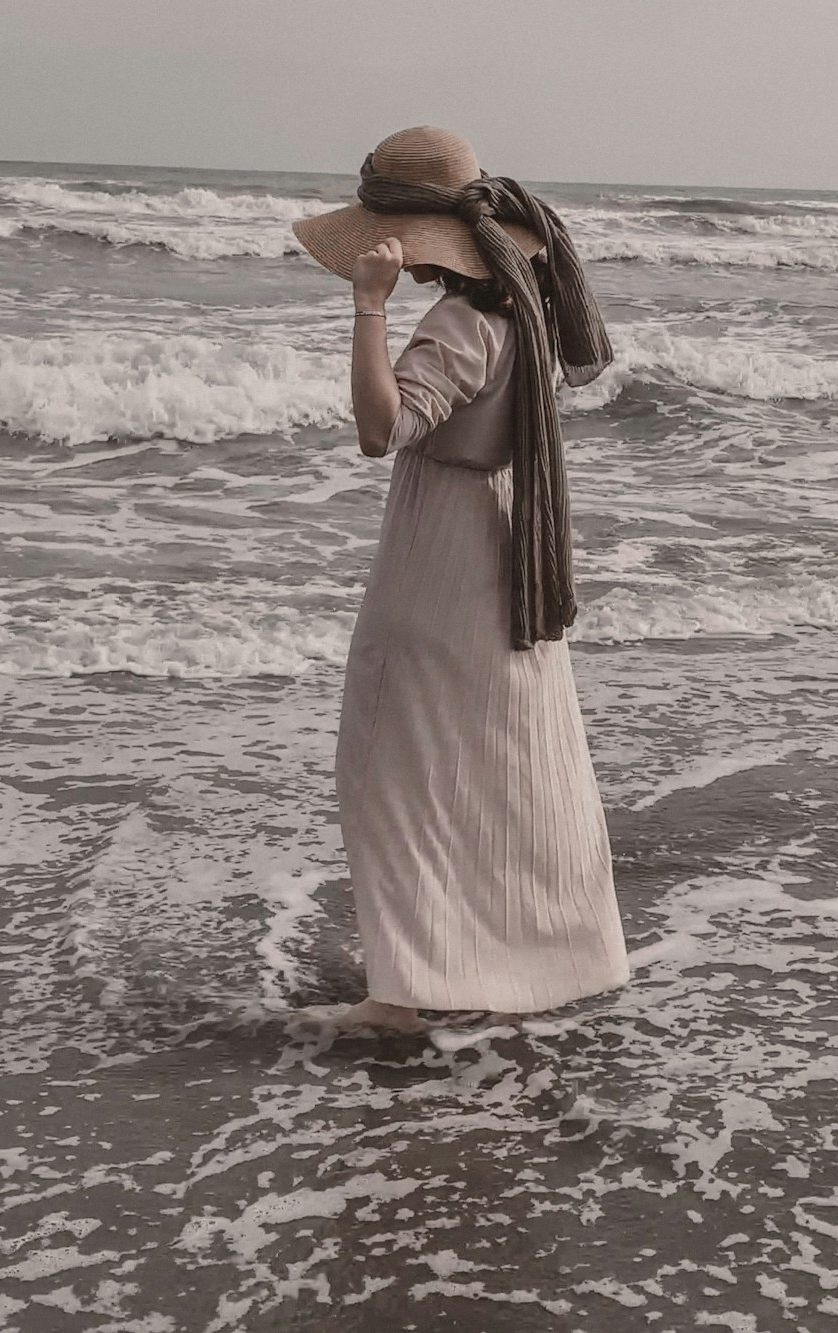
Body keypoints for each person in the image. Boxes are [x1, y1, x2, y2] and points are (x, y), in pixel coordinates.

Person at [291, 125, 630, 1033]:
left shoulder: (458, 324)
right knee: (502, 759)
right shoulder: (527, 310)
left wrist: (369, 305)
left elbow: (381, 429)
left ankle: (404, 994)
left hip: (441, 550)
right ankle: (535, 958)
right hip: (507, 539)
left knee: (391, 762)